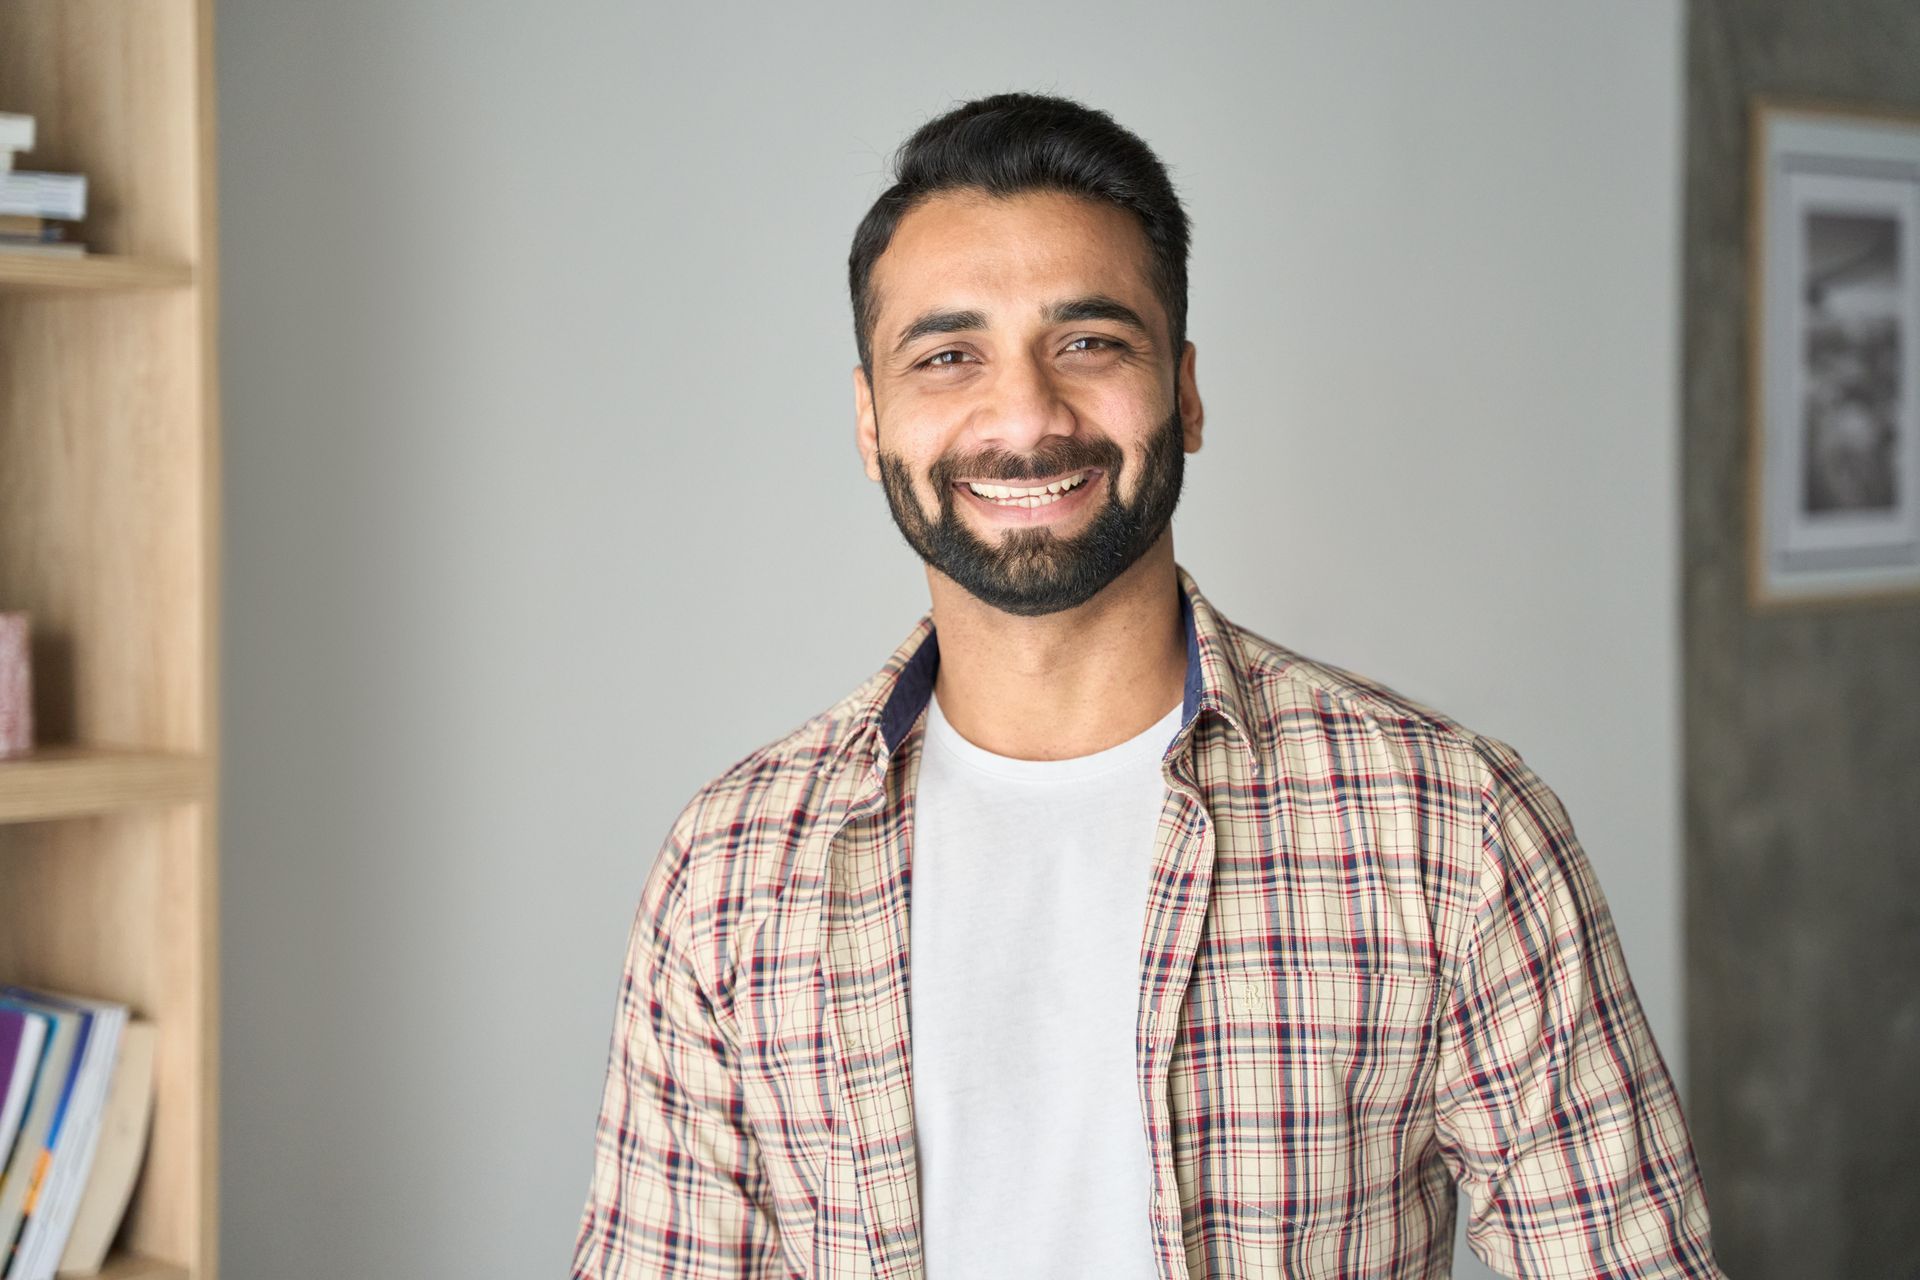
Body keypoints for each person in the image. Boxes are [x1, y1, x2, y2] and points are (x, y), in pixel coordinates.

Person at [570, 92, 1725, 1280]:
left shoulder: (1451, 829)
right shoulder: (732, 869)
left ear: (1185, 389)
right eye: (949, 355)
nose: (1026, 415)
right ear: (871, 420)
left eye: (1089, 342)